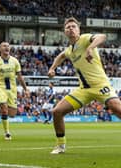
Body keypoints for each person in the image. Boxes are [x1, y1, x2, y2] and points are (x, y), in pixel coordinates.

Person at [48, 17, 121, 154]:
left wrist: (90, 48)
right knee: (57, 112)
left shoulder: (85, 39)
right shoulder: (70, 50)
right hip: (84, 90)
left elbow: (102, 36)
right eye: (68, 27)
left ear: (79, 29)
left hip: (100, 85)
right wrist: (52, 68)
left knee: (116, 108)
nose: (71, 29)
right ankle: (61, 145)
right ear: (64, 32)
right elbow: (61, 56)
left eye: (73, 26)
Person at [0, 42, 30, 140]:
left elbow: (20, 77)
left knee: (12, 114)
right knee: (4, 109)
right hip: (1, 88)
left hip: (12, 90)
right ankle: (7, 133)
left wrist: (26, 89)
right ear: (0, 49)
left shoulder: (15, 61)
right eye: (4, 46)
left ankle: (5, 116)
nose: (7, 47)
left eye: (8, 46)